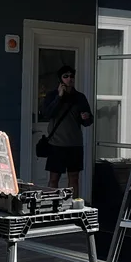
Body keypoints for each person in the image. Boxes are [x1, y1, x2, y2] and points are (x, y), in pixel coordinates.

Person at [39, 65, 93, 194]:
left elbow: (88, 121)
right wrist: (59, 96)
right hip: (56, 144)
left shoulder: (80, 97)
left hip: (74, 144)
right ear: (60, 79)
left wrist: (86, 117)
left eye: (72, 76)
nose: (70, 79)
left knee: (74, 178)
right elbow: (47, 114)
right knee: (54, 178)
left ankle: (73, 205)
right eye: (66, 76)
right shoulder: (52, 95)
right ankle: (51, 204)